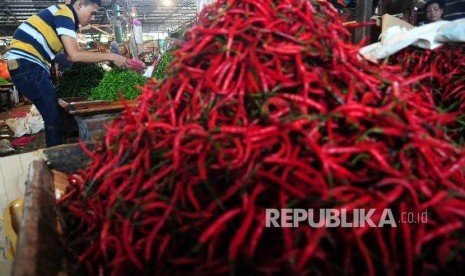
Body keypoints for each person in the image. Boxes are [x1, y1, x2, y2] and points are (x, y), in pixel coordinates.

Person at [6, 0, 128, 147]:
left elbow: (70, 57)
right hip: (28, 64)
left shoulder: (64, 16)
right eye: (93, 13)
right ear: (80, 4)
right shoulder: (65, 13)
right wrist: (111, 56)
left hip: (25, 65)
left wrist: (102, 59)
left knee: (54, 117)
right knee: (54, 120)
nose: (93, 18)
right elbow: (75, 55)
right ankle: (56, 159)